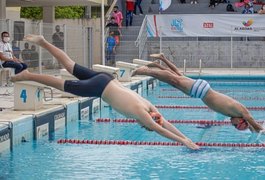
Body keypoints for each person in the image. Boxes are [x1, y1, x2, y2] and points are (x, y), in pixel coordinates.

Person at [11, 34, 199, 150]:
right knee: (62, 84)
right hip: (100, 87)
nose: (157, 118)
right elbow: (160, 128)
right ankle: (28, 74)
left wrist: (185, 137)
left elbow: (163, 123)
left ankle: (44, 42)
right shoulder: (143, 113)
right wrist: (182, 141)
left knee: (70, 65)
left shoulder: (148, 106)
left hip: (107, 79)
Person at [132, 53, 264, 133]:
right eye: (235, 125)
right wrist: (262, 131)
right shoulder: (242, 111)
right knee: (174, 79)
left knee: (175, 78)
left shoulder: (237, 115)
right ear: (241, 121)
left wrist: (254, 129)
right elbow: (253, 122)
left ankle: (160, 61)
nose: (232, 124)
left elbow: (252, 127)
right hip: (202, 90)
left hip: (199, 92)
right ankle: (144, 71)